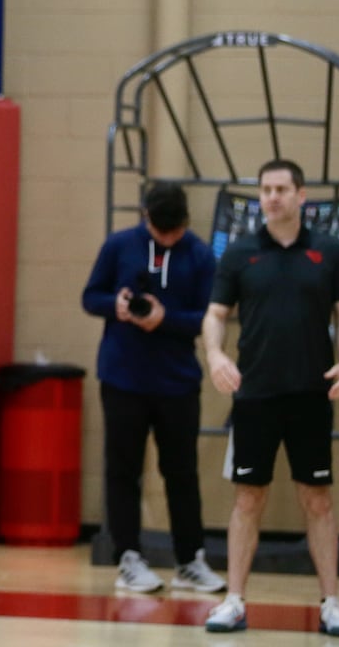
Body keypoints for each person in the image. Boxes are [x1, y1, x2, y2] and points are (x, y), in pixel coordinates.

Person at [201, 159, 339, 637]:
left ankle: (332, 602)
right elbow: (215, 314)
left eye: (281, 189)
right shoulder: (240, 253)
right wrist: (215, 355)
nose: (272, 197)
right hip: (255, 396)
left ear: (301, 195)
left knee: (318, 499)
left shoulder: (329, 251)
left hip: (312, 394)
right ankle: (233, 600)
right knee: (249, 497)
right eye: (266, 189)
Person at [81, 182, 226, 594]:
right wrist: (118, 306)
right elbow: (90, 297)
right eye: (159, 231)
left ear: (185, 222)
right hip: (122, 378)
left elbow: (207, 318)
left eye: (174, 231)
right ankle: (128, 557)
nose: (166, 238)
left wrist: (166, 319)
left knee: (181, 472)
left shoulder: (200, 254)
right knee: (122, 469)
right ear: (145, 217)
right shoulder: (119, 245)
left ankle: (190, 560)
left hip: (177, 382)